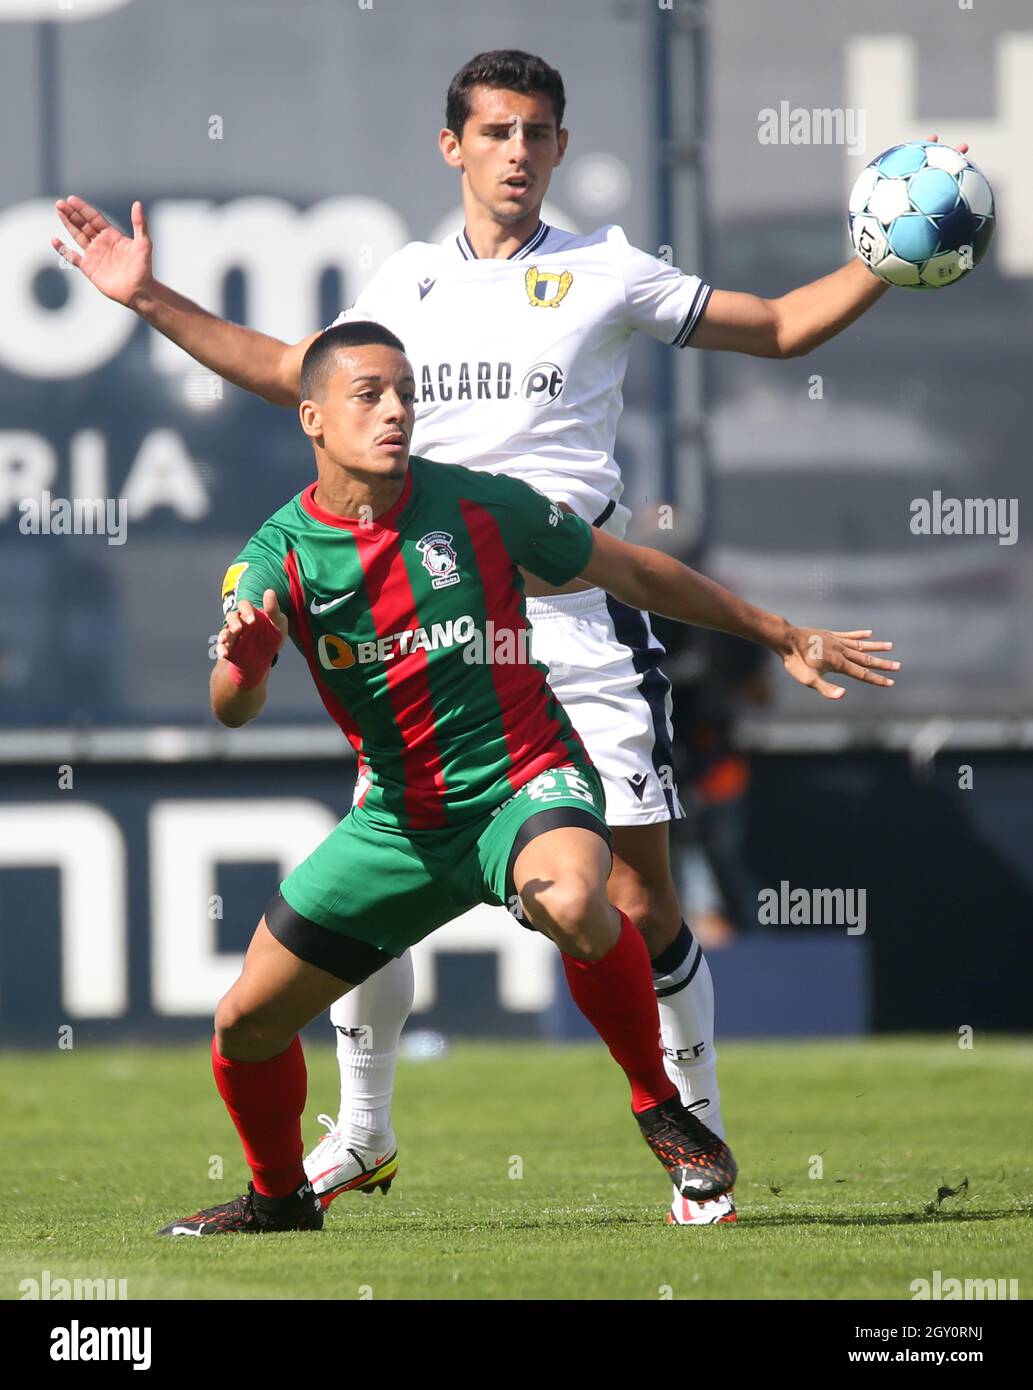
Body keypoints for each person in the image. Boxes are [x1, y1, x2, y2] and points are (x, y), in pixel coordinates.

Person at [52, 49, 923, 1225]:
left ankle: (692, 1121)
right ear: (452, 146)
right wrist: (147, 298)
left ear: (561, 149)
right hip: (437, 624)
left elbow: (774, 329)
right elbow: (288, 372)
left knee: (630, 895)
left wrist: (883, 260)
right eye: (498, 131)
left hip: (575, 604)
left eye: (540, 133)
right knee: (396, 849)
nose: (519, 152)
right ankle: (359, 1133)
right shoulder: (402, 283)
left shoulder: (609, 271)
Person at [157, 322, 897, 1234]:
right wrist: (251, 662)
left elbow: (632, 569)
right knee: (244, 1025)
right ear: (311, 417)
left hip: (527, 784)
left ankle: (657, 1106)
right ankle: (279, 1201)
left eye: (403, 392)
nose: (395, 411)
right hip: (400, 821)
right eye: (368, 395)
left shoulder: (479, 507)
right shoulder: (277, 553)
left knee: (581, 903)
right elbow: (231, 704)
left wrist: (780, 631)